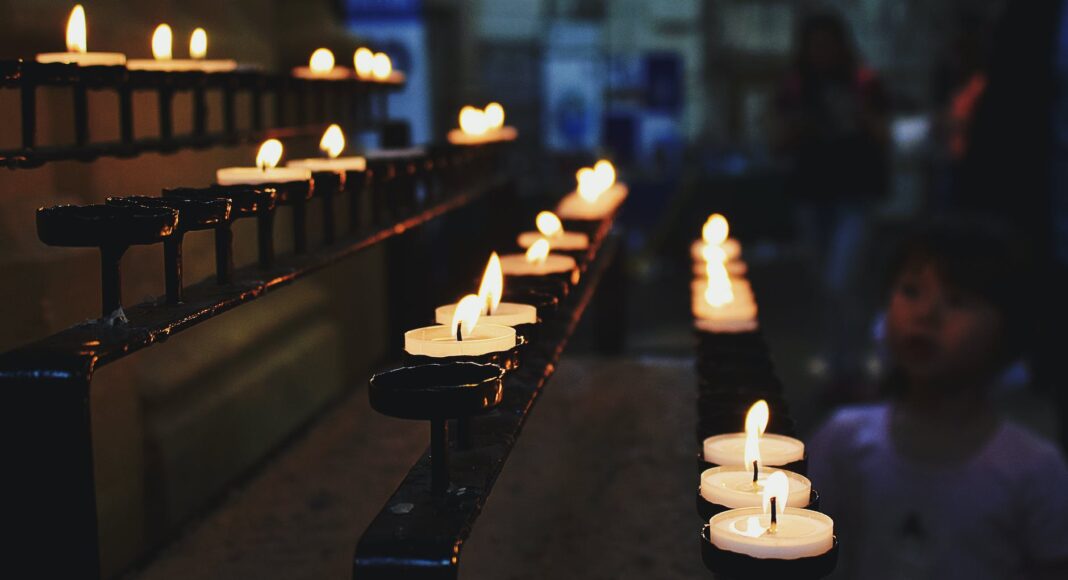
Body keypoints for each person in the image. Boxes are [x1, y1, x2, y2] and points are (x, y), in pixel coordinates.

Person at [809, 220, 1068, 579]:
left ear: (1011, 331)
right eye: (911, 291)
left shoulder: (1033, 471)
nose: (926, 314)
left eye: (957, 300)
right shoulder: (844, 441)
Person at [772, 10, 890, 383]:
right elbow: (777, 139)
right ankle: (835, 357)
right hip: (812, 194)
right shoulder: (796, 87)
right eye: (815, 45)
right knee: (824, 282)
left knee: (843, 278)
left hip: (854, 194)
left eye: (828, 44)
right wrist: (799, 125)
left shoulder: (863, 82)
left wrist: (859, 114)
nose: (822, 52)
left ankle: (854, 357)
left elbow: (886, 134)